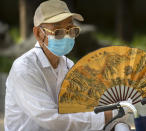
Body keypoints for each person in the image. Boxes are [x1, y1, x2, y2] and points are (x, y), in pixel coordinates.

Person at [4, 0, 113, 130]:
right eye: (58, 32)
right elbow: (51, 119)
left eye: (71, 30)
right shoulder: (24, 69)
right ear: (39, 34)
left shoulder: (68, 65)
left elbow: (80, 106)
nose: (67, 36)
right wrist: (105, 117)